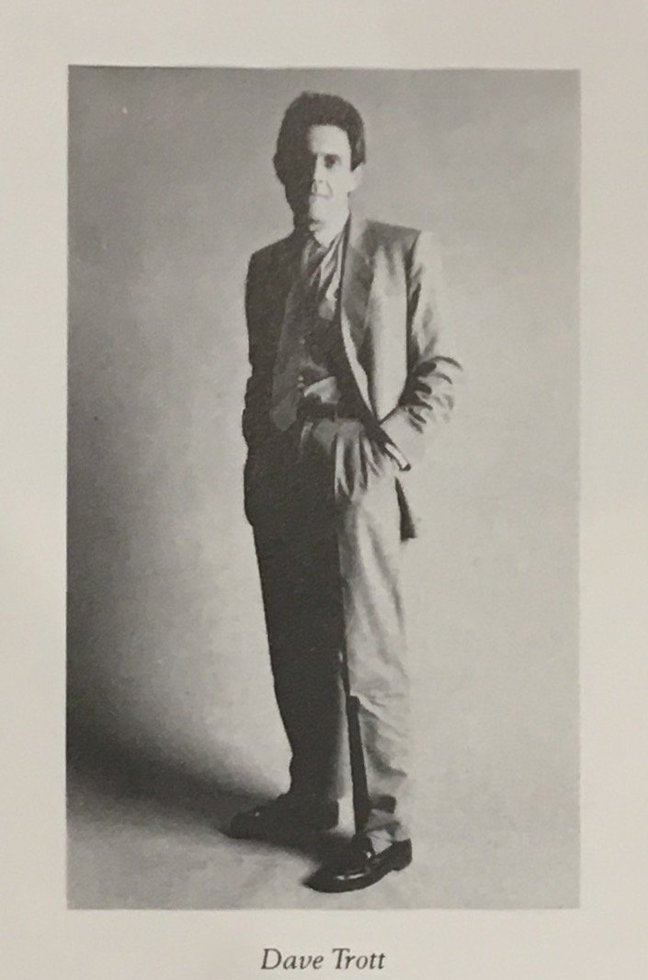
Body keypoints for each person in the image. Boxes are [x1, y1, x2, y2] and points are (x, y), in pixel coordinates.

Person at [228, 92, 462, 892]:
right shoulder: (265, 267)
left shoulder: (402, 252)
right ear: (281, 171)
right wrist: (260, 446)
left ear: (355, 171)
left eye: (332, 161)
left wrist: (385, 451)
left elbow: (441, 371)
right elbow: (262, 372)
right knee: (295, 640)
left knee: (367, 649)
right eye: (302, 162)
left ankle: (385, 830)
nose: (316, 177)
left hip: (357, 463)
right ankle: (309, 800)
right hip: (283, 466)